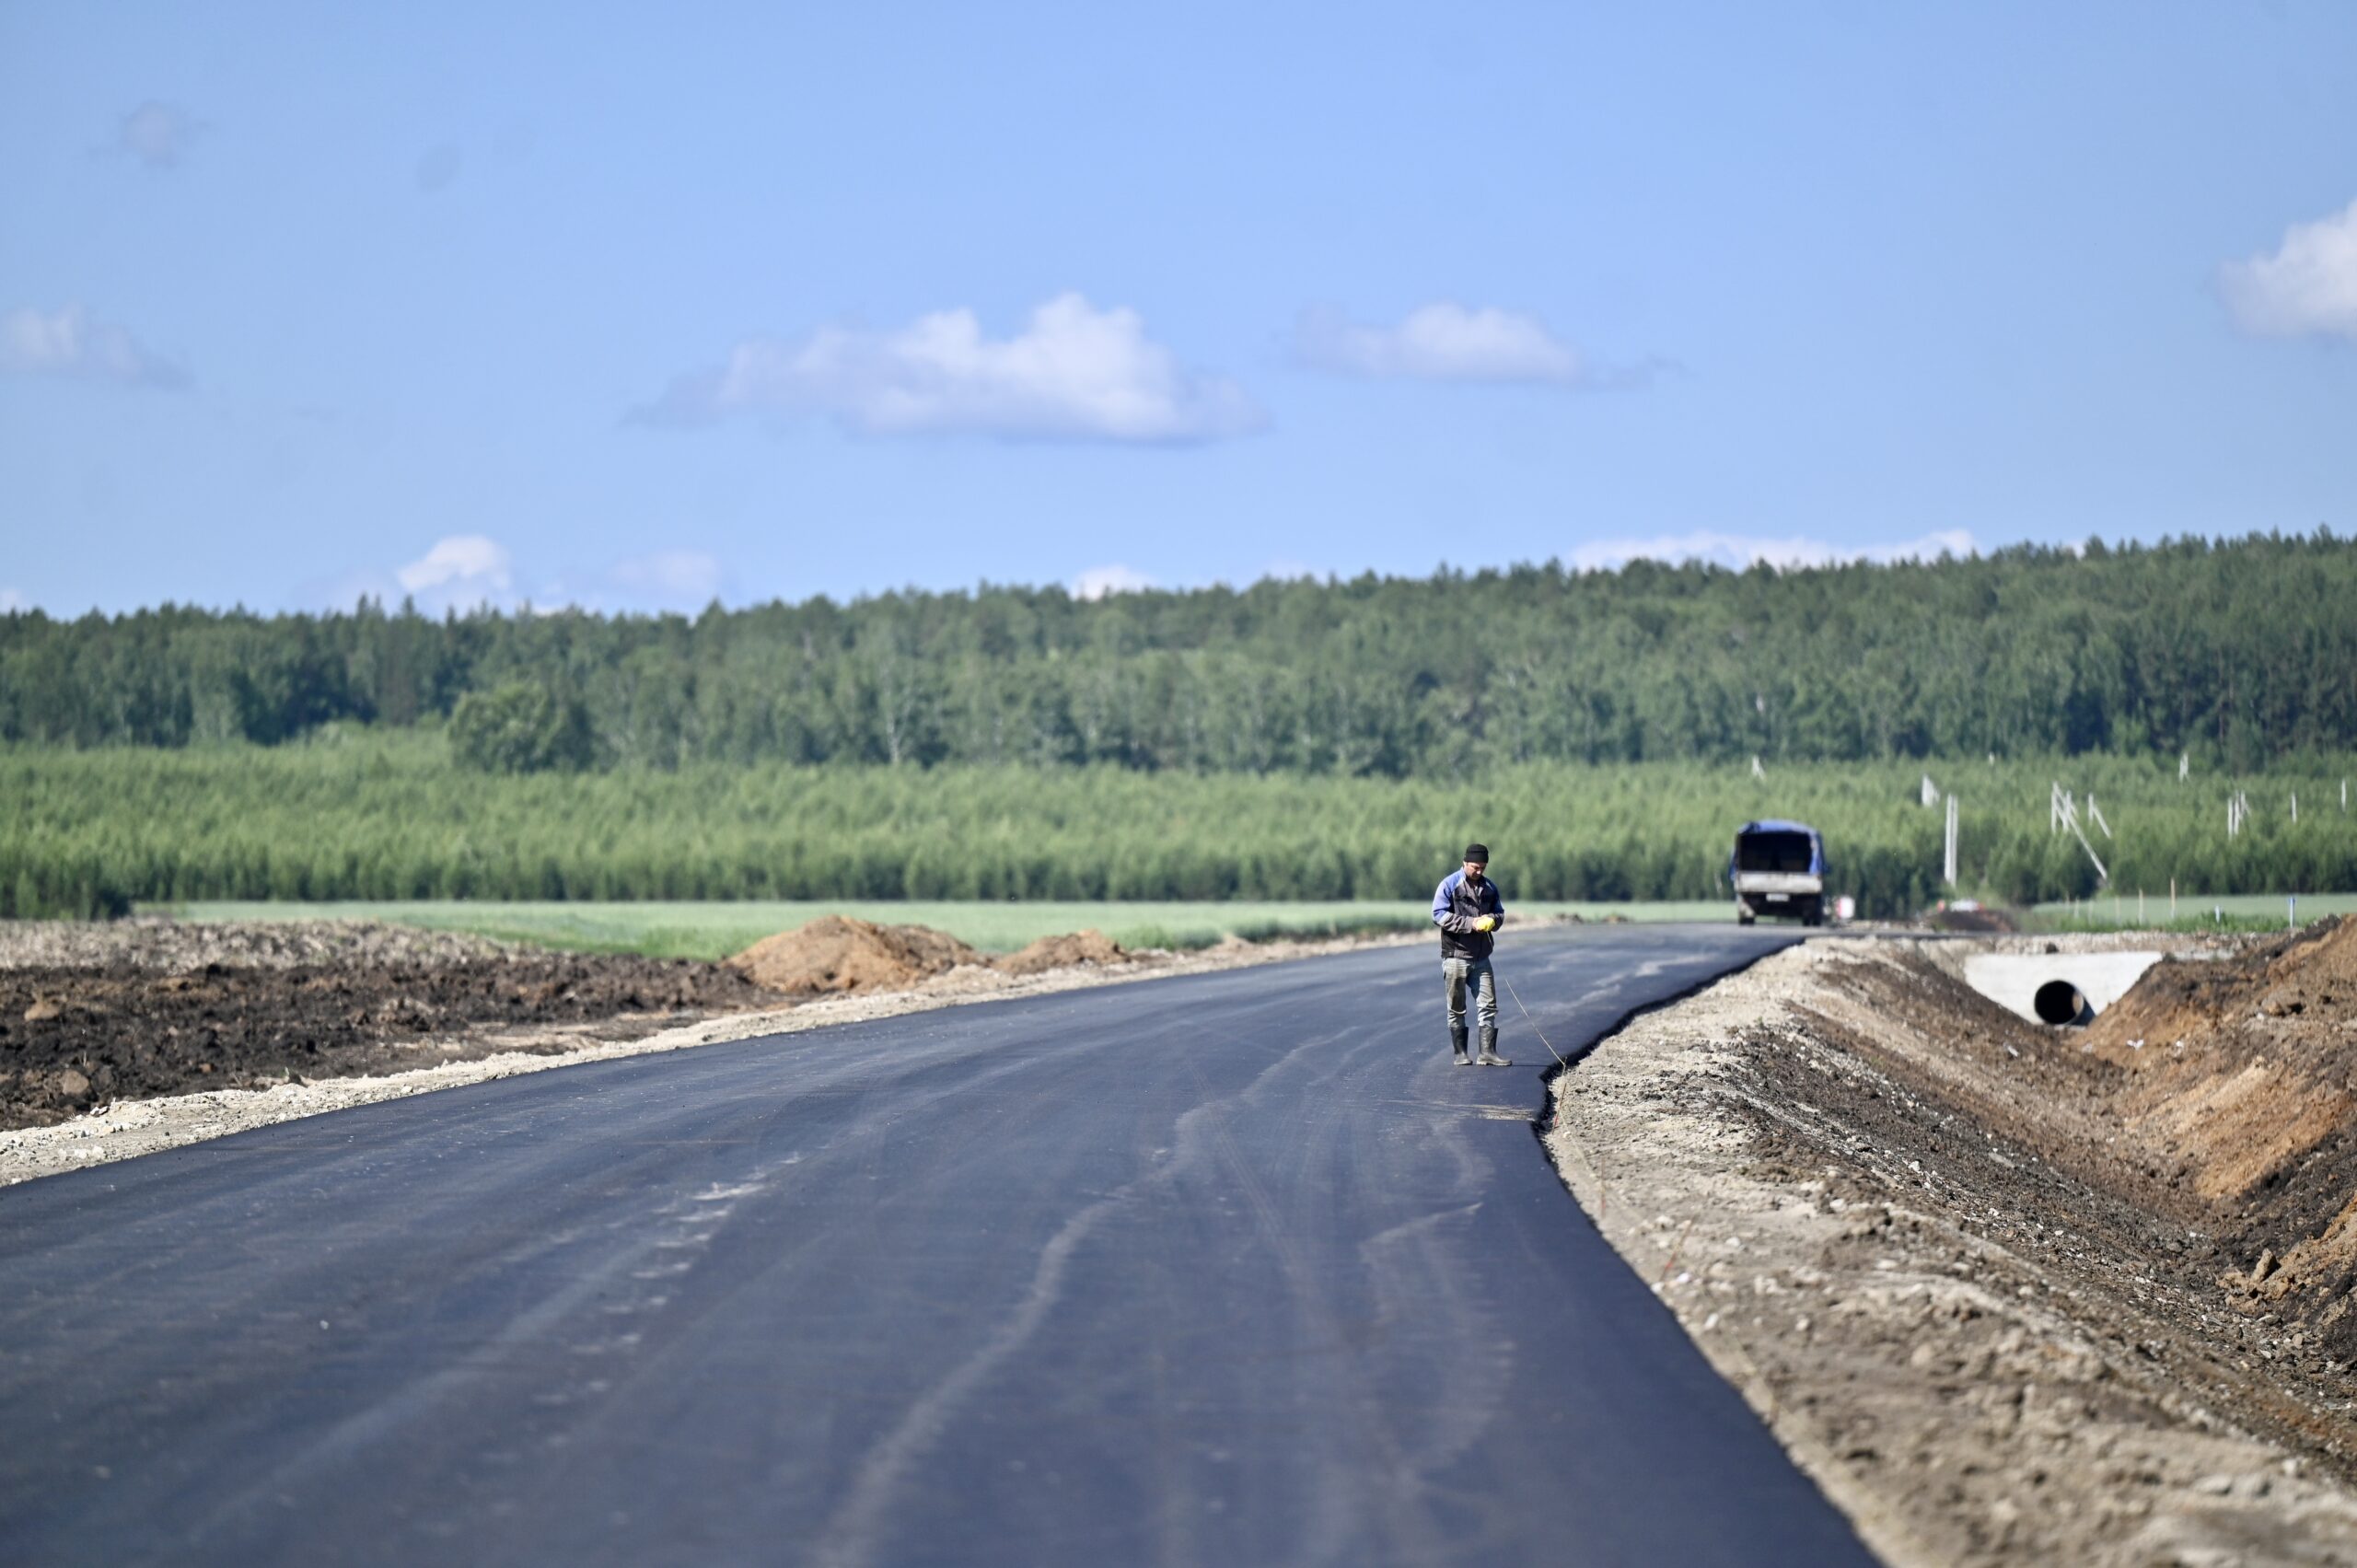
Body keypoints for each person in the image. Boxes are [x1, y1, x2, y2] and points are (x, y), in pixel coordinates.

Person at [1431, 843, 1509, 1067]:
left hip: (1482, 957)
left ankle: (1487, 1053)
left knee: (1488, 1004)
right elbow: (1438, 915)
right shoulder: (1449, 885)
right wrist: (1471, 924)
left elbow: (1500, 913)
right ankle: (1461, 1054)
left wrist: (1493, 921)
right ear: (1465, 863)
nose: (1479, 872)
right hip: (1455, 956)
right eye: (1475, 867)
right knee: (1456, 1007)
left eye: (1483, 867)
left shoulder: (1490, 887)